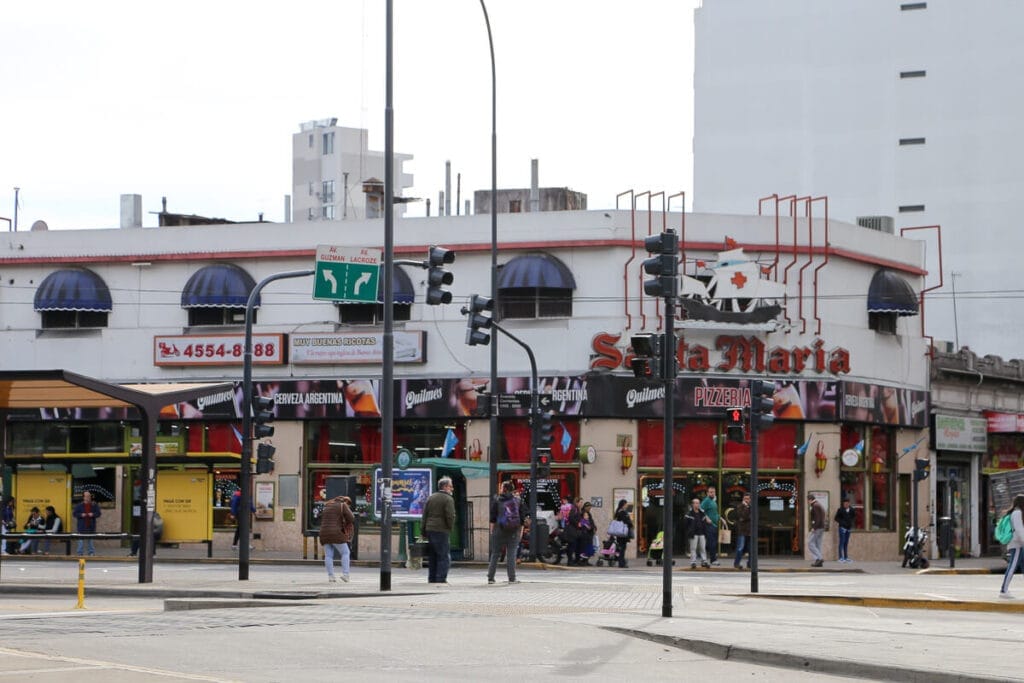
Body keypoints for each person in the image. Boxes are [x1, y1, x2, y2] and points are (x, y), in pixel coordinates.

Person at [487, 480, 525, 584]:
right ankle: (512, 578)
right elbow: (522, 519)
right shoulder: (518, 500)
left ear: (504, 489)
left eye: (501, 487)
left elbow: (492, 518)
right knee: (511, 554)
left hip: (499, 529)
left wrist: (492, 531)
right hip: (514, 531)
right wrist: (520, 532)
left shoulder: (497, 500)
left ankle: (491, 578)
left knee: (495, 553)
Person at [423, 476, 456, 584]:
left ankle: (432, 578)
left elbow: (425, 515)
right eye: (450, 486)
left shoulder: (431, 497)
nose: (452, 489)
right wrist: (450, 527)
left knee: (433, 556)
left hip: (430, 529)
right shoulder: (448, 499)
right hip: (441, 530)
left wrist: (423, 530)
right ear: (445, 487)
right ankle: (441, 578)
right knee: (443, 555)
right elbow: (450, 516)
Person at [319, 495, 355, 583]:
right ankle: (346, 575)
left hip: (324, 533)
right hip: (335, 533)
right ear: (346, 501)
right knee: (345, 552)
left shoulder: (328, 505)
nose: (348, 507)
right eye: (348, 505)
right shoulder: (343, 505)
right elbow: (351, 518)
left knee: (328, 555)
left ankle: (331, 576)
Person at [999, 494, 1024, 598]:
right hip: (1017, 544)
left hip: (1018, 543)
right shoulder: (1017, 513)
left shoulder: (1015, 512)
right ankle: (1003, 590)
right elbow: (1019, 530)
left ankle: (1004, 590)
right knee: (1012, 566)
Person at [73, 491, 101, 556]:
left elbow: (98, 513)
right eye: (87, 496)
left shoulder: (94, 505)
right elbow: (74, 514)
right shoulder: (79, 505)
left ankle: (91, 552)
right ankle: (80, 553)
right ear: (83, 497)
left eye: (89, 496)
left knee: (90, 540)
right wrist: (81, 515)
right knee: (80, 540)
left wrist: (93, 514)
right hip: (81, 526)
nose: (88, 497)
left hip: (91, 525)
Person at [684, 498, 711, 569]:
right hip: (693, 533)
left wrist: (707, 520)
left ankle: (704, 561)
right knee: (693, 548)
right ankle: (693, 562)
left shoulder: (702, 513)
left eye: (698, 503)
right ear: (692, 504)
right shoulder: (689, 513)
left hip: (702, 533)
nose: (697, 505)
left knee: (702, 548)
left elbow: (706, 520)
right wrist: (689, 531)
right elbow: (685, 523)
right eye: (695, 503)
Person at [701, 486, 721, 566]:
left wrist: (721, 518)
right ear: (707, 493)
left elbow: (714, 512)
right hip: (709, 525)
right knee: (712, 543)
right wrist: (706, 518)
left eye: (713, 492)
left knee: (712, 542)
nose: (712, 493)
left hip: (714, 524)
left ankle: (705, 559)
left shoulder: (713, 501)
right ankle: (713, 560)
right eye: (710, 492)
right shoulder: (706, 500)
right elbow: (700, 510)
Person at [612, 499, 634, 568]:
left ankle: (621, 562)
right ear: (623, 505)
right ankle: (621, 563)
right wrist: (631, 524)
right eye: (626, 504)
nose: (627, 505)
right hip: (622, 533)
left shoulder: (618, 512)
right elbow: (626, 521)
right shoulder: (622, 512)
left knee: (621, 548)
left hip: (620, 533)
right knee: (622, 548)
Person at [733, 492, 752, 569]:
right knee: (740, 548)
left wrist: (745, 518)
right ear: (743, 499)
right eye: (745, 499)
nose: (747, 500)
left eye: (748, 499)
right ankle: (737, 563)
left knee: (751, 549)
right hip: (742, 530)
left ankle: (750, 564)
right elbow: (742, 516)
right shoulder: (740, 506)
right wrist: (746, 507)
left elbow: (751, 517)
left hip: (750, 530)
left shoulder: (752, 507)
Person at [834, 498, 856, 563]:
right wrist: (842, 523)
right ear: (843, 504)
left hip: (848, 528)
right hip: (842, 528)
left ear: (849, 503)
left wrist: (851, 524)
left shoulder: (852, 510)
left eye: (847, 503)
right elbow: (836, 518)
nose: (846, 504)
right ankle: (841, 557)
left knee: (846, 543)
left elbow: (853, 517)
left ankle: (846, 557)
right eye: (844, 503)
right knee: (841, 542)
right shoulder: (840, 510)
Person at [808, 493, 825, 567]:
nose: (807, 502)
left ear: (810, 499)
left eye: (808, 500)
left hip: (817, 528)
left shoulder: (815, 506)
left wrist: (814, 527)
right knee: (818, 544)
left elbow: (818, 518)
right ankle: (818, 562)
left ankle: (820, 558)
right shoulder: (818, 504)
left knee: (810, 543)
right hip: (821, 527)